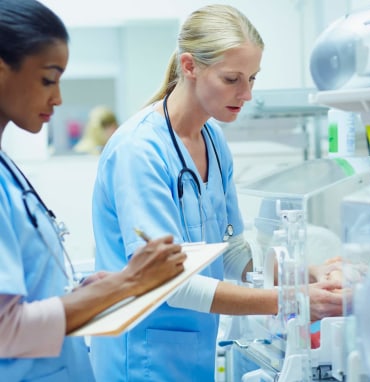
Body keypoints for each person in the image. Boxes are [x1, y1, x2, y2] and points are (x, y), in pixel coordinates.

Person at [90, 4, 344, 381]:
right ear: (190, 66)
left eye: (253, 78)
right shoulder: (139, 151)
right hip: (141, 355)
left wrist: (303, 276)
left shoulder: (212, 139)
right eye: (232, 79)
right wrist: (293, 300)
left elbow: (232, 252)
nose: (247, 94)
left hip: (192, 350)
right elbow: (171, 285)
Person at [0, 1, 186, 381]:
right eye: (48, 80)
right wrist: (128, 282)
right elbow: (6, 331)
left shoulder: (8, 170)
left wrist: (87, 292)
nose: (58, 98)